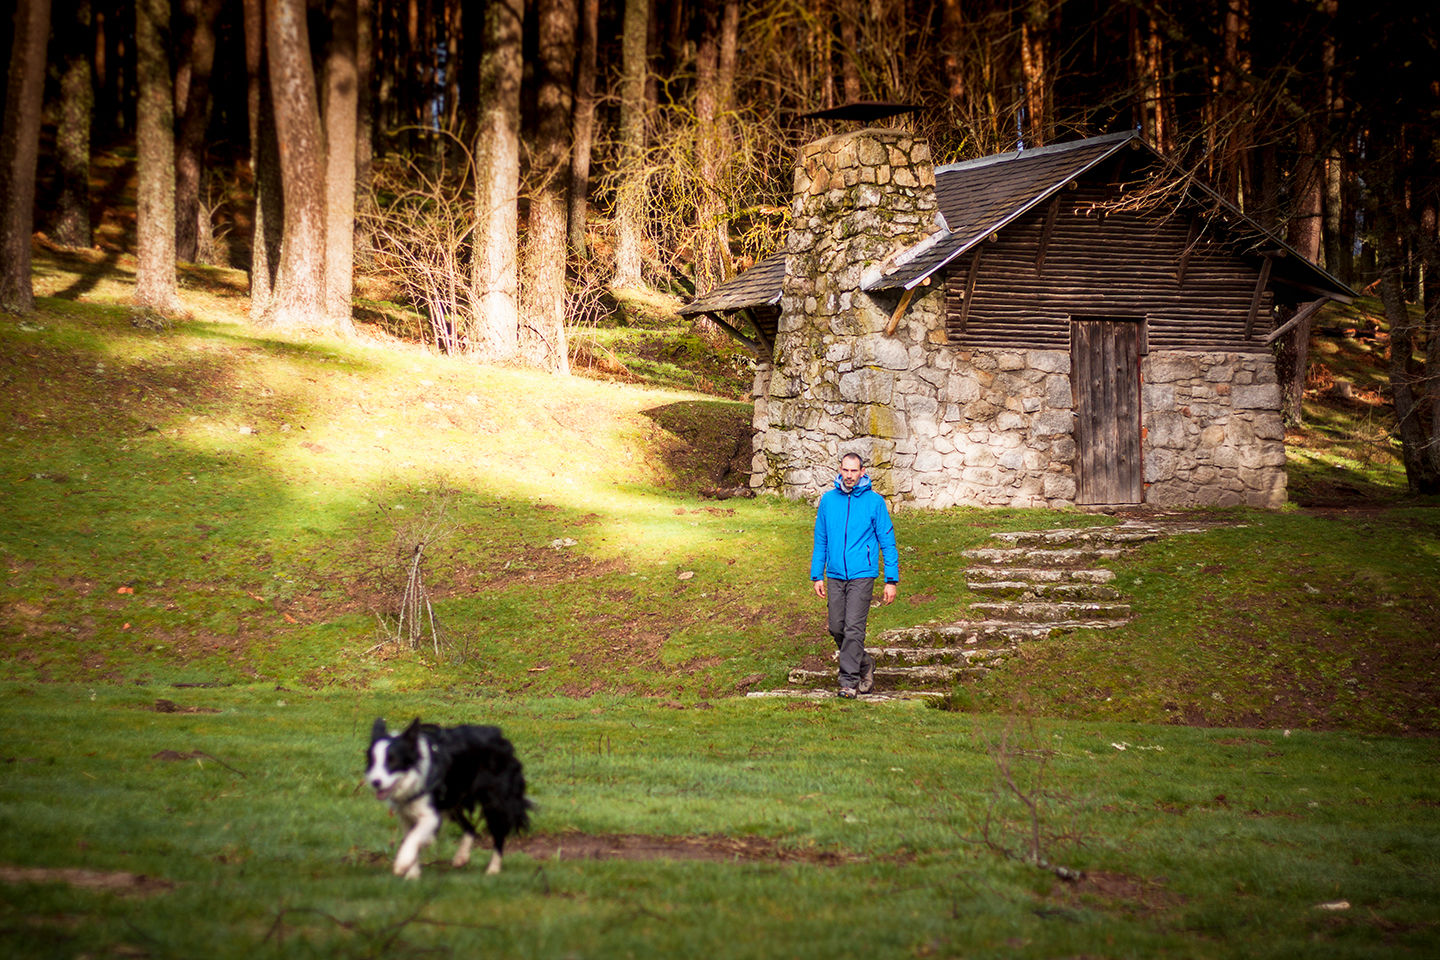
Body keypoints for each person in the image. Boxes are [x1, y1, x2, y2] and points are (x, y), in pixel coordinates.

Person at [810, 452, 899, 698]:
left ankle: (848, 682)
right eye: (845, 470)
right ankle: (864, 663)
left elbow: (888, 542)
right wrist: (817, 574)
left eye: (854, 471)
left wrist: (891, 580)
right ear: (840, 470)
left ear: (862, 472)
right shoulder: (828, 500)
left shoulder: (875, 502)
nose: (849, 476)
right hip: (835, 574)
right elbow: (821, 539)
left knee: (853, 629)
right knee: (837, 627)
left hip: (863, 573)